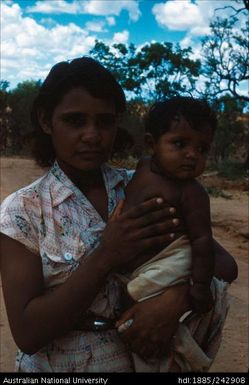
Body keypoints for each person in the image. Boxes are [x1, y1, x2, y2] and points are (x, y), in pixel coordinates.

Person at [0, 57, 237, 373]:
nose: (92, 135)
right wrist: (107, 254)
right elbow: (28, 334)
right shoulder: (23, 210)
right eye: (75, 121)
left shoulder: (145, 187)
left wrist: (176, 299)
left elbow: (223, 264)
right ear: (46, 121)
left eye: (105, 121)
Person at [118, 97, 217, 314]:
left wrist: (200, 286)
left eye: (202, 148)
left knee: (132, 295)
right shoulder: (143, 167)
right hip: (136, 260)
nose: (192, 155)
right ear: (152, 144)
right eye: (180, 144)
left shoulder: (191, 192)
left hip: (169, 260)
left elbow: (202, 240)